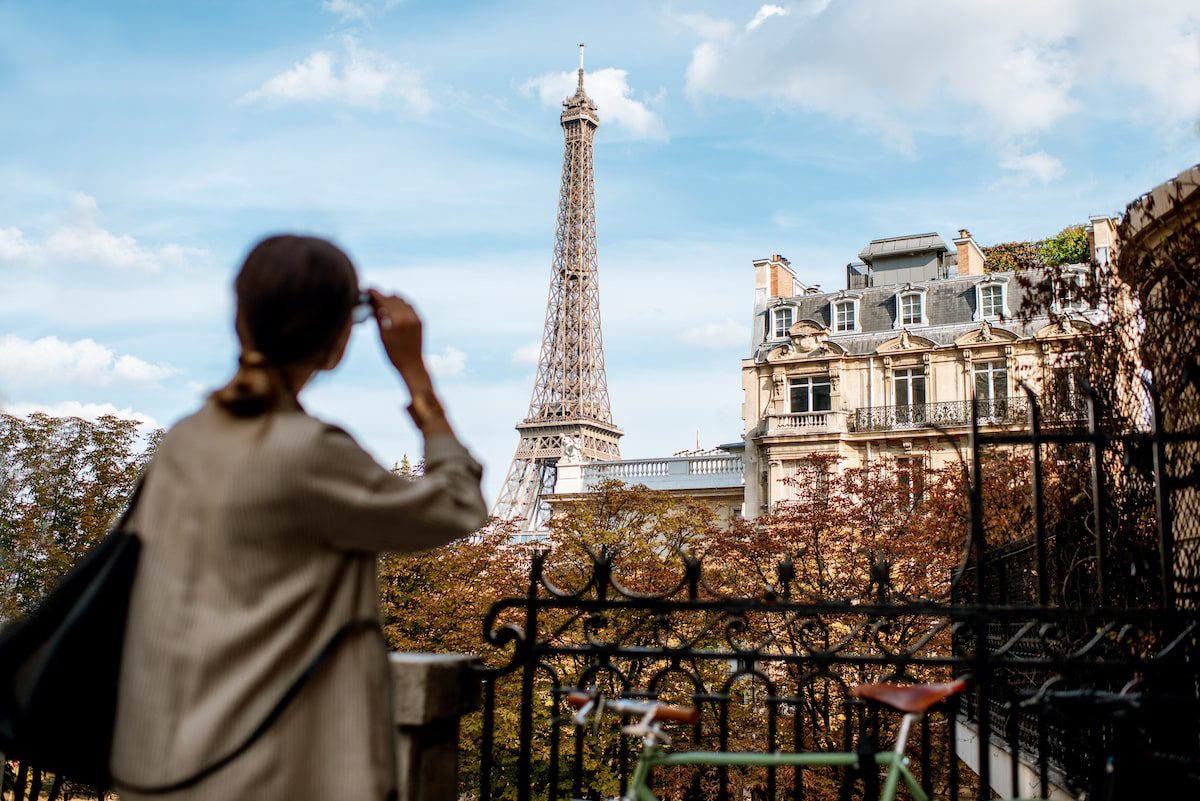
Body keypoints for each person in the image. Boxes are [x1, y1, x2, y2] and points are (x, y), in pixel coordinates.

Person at [110, 234, 488, 800]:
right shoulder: (312, 454)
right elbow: (459, 505)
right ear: (339, 341)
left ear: (241, 322)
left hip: (162, 763)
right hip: (272, 768)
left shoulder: (184, 441)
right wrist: (418, 379)